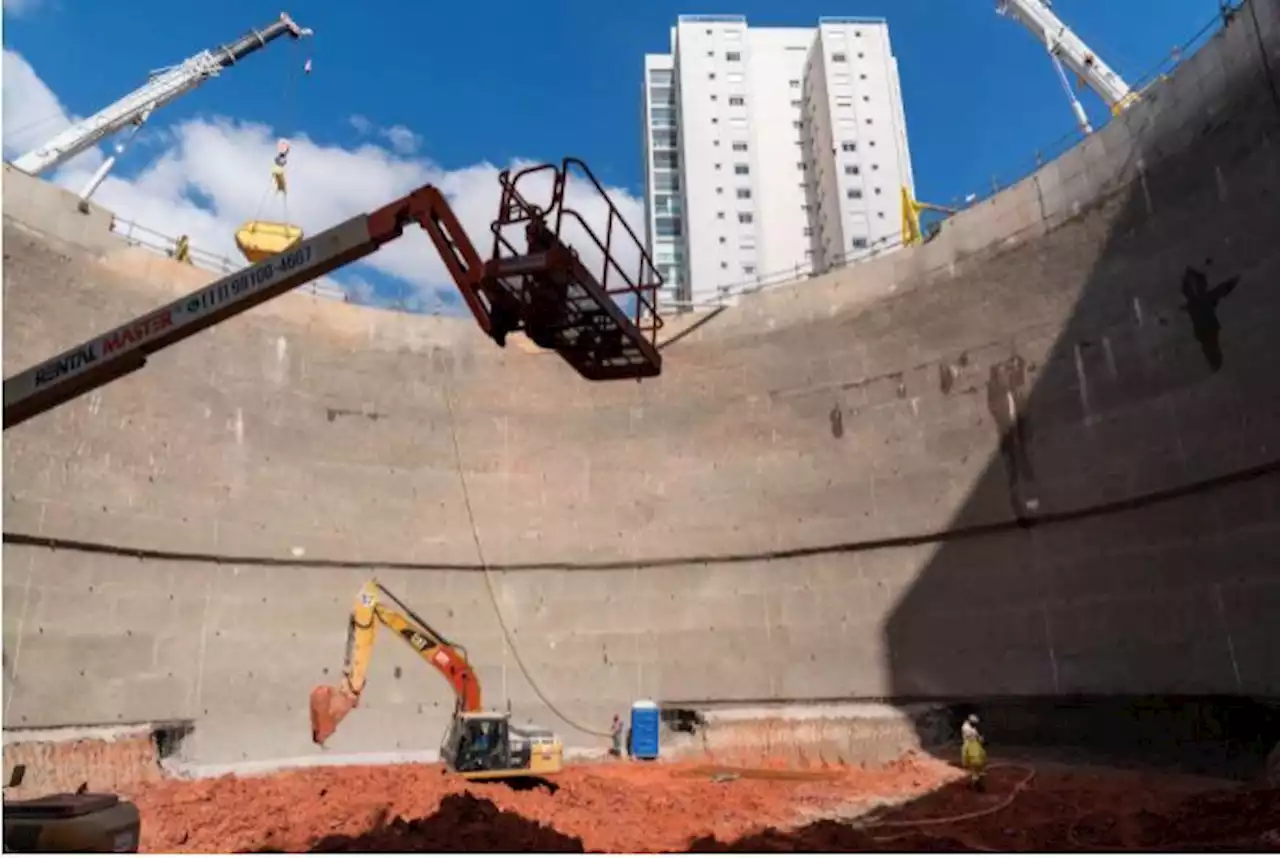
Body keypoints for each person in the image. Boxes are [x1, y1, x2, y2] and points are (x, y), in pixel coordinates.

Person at [961, 714, 987, 792]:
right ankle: (976, 784)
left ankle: (974, 782)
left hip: (975, 751)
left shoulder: (970, 729)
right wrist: (980, 738)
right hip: (972, 752)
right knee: (975, 767)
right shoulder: (969, 730)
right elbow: (973, 736)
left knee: (977, 768)